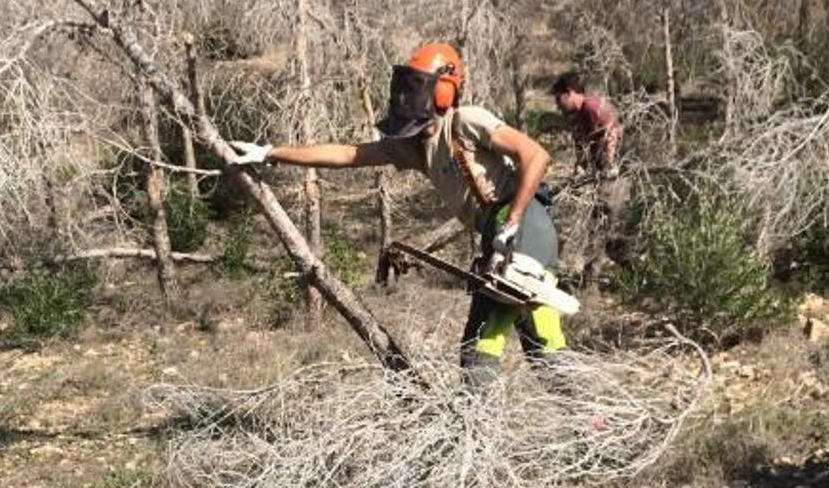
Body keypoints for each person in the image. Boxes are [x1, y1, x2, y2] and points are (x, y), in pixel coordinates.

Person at [229, 44, 567, 388]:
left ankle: (474, 434)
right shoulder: (416, 146)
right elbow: (348, 154)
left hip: (522, 225)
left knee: (479, 347)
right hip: (499, 234)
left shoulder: (466, 122)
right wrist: (271, 153)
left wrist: (512, 223)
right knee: (545, 347)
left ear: (442, 91)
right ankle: (590, 426)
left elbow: (536, 156)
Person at [551, 71, 627, 291]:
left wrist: (609, 167)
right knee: (609, 235)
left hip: (611, 181)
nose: (558, 106)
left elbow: (611, 133)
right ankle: (633, 275)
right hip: (600, 178)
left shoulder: (592, 108)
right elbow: (583, 149)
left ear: (570, 93)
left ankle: (590, 286)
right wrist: (579, 172)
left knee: (600, 229)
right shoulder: (579, 116)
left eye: (559, 99)